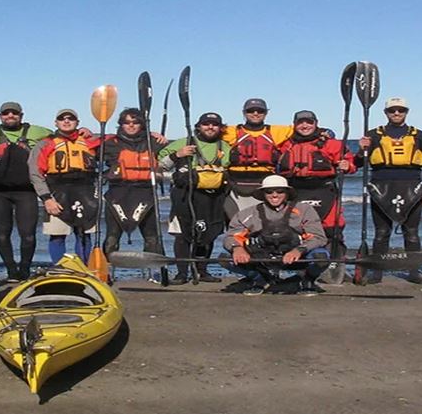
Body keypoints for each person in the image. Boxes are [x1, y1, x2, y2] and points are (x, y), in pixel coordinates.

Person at [355, 97, 422, 284]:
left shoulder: (419, 135)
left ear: (406, 112)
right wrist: (361, 150)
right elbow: (359, 163)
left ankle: (414, 272)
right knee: (382, 232)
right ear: (386, 113)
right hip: (381, 186)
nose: (397, 113)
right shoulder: (373, 134)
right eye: (392, 110)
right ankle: (378, 272)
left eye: (401, 110)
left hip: (412, 186)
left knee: (412, 231)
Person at [276, 110, 356, 283]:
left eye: (309, 122)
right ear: (295, 125)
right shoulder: (286, 145)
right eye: (300, 123)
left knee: (332, 229)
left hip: (324, 190)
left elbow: (351, 164)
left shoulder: (332, 144)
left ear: (316, 123)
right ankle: (303, 268)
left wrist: (347, 165)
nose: (305, 126)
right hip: (296, 192)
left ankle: (335, 267)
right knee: (298, 230)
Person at [0, 102, 53, 282]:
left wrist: (84, 131)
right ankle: (11, 270)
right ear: (0, 116)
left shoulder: (38, 131)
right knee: (2, 233)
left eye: (14, 113)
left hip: (26, 190)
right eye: (6, 113)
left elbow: (61, 137)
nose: (10, 116)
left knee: (27, 234)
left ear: (21, 115)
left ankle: (25, 269)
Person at [221, 174, 329, 295]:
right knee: (225, 258)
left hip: (296, 258)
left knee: (321, 256)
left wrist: (299, 250)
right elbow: (231, 236)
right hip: (262, 258)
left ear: (287, 193)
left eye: (280, 191)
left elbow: (318, 237)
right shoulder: (248, 213)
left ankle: (307, 280)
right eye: (269, 191)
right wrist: (237, 248)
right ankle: (259, 279)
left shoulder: (305, 210)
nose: (274, 195)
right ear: (263, 194)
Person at [158, 112, 231, 284]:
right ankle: (182, 273)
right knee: (183, 234)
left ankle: (202, 271)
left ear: (220, 128)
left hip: (213, 196)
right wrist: (178, 154)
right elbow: (160, 165)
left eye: (214, 124)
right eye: (206, 124)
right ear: (198, 126)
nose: (210, 127)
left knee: (207, 233)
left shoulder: (225, 146)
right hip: (185, 194)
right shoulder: (183, 143)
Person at [29, 108, 101, 263]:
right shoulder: (45, 143)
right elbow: (35, 173)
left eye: (71, 119)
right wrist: (47, 198)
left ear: (77, 123)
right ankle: (59, 269)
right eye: (62, 119)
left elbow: (116, 142)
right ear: (56, 123)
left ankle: (84, 268)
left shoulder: (90, 142)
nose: (66, 121)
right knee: (57, 235)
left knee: (84, 234)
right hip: (57, 193)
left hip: (85, 193)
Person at [99, 107, 165, 260]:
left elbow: (169, 159)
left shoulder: (153, 142)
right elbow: (87, 148)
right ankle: (106, 270)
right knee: (112, 237)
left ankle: (153, 271)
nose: (131, 125)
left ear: (142, 124)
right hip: (118, 193)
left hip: (145, 193)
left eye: (135, 122)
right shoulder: (110, 144)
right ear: (121, 124)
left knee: (152, 237)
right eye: (126, 122)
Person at [222, 98, 293, 221]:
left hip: (264, 183)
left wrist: (326, 132)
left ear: (266, 113)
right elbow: (209, 130)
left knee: (262, 223)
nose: (255, 113)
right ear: (244, 113)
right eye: (251, 111)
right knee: (236, 222)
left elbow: (304, 129)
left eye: (260, 111)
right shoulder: (231, 131)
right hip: (236, 183)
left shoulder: (276, 132)